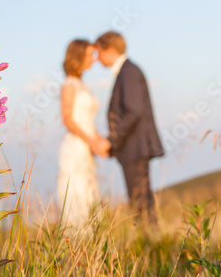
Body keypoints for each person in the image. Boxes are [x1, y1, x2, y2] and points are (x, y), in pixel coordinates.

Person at [93, 31, 164, 226]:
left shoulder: (129, 72)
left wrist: (111, 141)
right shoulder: (127, 71)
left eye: (98, 52)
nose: (97, 58)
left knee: (140, 205)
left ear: (110, 50)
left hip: (135, 147)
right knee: (141, 204)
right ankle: (151, 246)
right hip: (133, 147)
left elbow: (133, 111)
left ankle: (150, 248)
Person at [56, 39, 109, 228]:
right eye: (89, 55)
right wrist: (91, 141)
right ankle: (75, 240)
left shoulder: (81, 84)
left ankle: (90, 243)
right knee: (77, 193)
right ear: (77, 57)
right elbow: (68, 119)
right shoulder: (70, 84)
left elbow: (85, 121)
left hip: (86, 145)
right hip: (75, 146)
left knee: (89, 193)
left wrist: (99, 139)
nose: (94, 60)